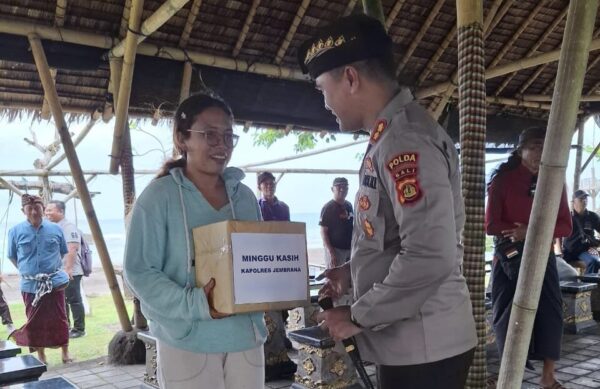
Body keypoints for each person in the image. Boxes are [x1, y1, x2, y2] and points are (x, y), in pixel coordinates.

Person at [299, 14, 477, 388]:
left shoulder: (404, 141)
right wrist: (349, 273)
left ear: (350, 78)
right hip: (414, 344)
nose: (325, 103)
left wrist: (357, 315)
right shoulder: (390, 136)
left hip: (425, 349)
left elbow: (429, 253)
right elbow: (394, 239)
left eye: (322, 88)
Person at [124, 93, 267, 389]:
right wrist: (196, 304)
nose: (222, 145)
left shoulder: (244, 197)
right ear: (182, 139)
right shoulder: (158, 198)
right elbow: (139, 272)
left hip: (245, 336)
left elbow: (258, 257)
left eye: (228, 136)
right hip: (187, 340)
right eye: (210, 135)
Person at [486, 127, 572, 389]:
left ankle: (548, 375)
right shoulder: (503, 180)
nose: (539, 153)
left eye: (544, 147)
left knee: (551, 311)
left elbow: (565, 227)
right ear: (520, 149)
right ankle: (508, 372)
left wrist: (530, 231)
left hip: (542, 257)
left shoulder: (554, 181)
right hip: (509, 258)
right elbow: (490, 225)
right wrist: (518, 233)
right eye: (534, 146)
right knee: (504, 313)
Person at [7, 194, 72, 364]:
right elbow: (12, 256)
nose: (34, 212)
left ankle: (65, 353)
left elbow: (63, 251)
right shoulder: (15, 231)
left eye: (38, 208)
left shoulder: (56, 229)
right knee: (35, 321)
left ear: (43, 208)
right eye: (30, 209)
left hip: (54, 283)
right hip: (30, 285)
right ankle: (41, 357)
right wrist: (29, 271)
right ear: (23, 211)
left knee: (60, 318)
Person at [45, 200, 86, 338]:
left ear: (61, 212)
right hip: (58, 271)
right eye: (46, 210)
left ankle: (79, 329)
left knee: (73, 299)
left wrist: (68, 269)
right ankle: (65, 327)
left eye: (50, 210)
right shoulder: (52, 226)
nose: (47, 212)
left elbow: (73, 248)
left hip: (71, 270)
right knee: (61, 300)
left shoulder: (68, 227)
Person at [562, 190, 600, 274]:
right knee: (556, 265)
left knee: (595, 261)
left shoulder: (593, 216)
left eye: (586, 198)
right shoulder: (567, 217)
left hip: (585, 250)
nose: (584, 200)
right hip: (569, 251)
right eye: (581, 198)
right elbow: (557, 234)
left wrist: (596, 245)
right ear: (574, 202)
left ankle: (588, 285)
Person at [319, 177, 353, 269]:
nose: (342, 189)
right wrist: (331, 252)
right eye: (339, 186)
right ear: (332, 189)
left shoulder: (349, 205)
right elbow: (323, 232)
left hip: (349, 249)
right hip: (335, 250)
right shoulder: (328, 208)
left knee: (348, 278)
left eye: (345, 187)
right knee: (334, 279)